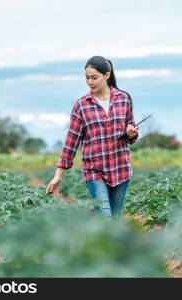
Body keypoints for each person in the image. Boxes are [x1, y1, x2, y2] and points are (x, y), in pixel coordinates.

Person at [45, 55, 140, 218]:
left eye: (94, 78)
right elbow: (71, 141)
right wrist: (57, 176)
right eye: (87, 78)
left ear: (107, 75)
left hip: (120, 168)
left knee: (115, 219)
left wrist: (131, 134)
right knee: (106, 218)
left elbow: (130, 135)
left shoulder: (124, 99)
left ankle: (98, 238)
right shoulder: (82, 105)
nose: (90, 82)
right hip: (95, 170)